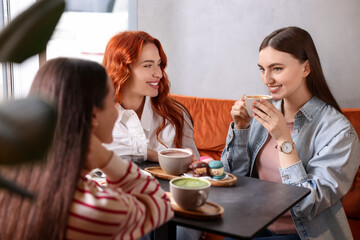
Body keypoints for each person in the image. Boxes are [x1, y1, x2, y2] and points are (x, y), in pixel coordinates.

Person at [0, 58, 173, 240]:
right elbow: (159, 204)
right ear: (93, 115)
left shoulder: (11, 182)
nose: (116, 110)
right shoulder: (98, 208)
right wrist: (107, 158)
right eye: (113, 101)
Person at [221, 26, 360, 240]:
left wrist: (284, 139)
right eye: (262, 69)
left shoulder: (338, 132)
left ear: (306, 68)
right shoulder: (260, 114)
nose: (266, 79)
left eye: (276, 69)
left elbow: (307, 205)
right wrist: (240, 129)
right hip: (253, 226)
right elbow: (234, 181)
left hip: (303, 235)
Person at [102, 31, 200, 163]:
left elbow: (195, 168)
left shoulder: (175, 115)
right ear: (121, 70)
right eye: (147, 65)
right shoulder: (94, 114)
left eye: (158, 64)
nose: (159, 74)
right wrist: (153, 155)